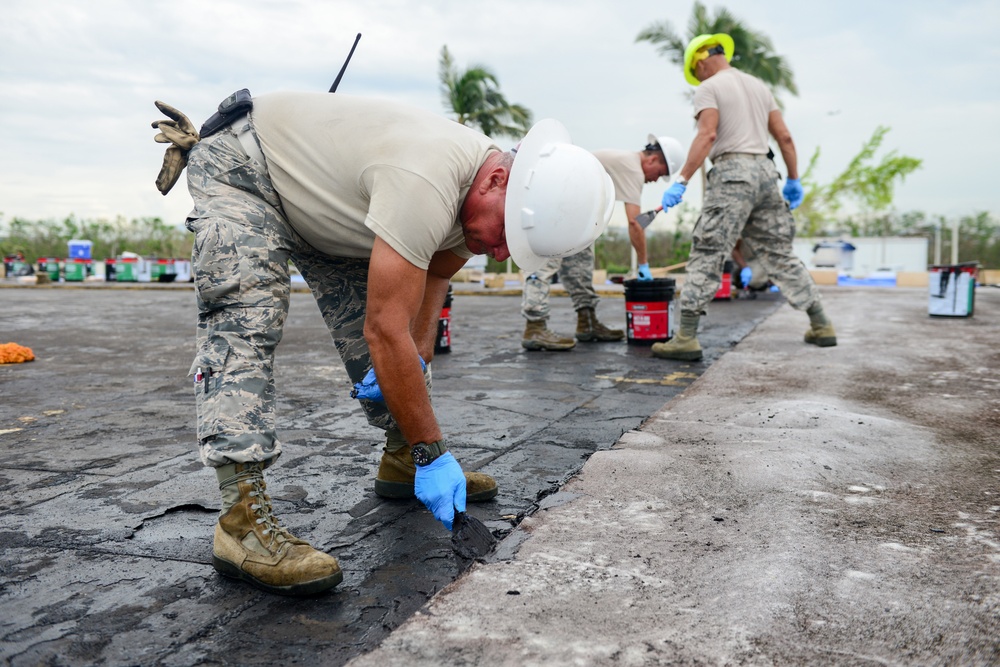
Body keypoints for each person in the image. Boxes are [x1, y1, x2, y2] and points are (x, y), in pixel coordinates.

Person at [151, 92, 614, 596]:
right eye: (507, 236)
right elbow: (385, 330)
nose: (501, 252)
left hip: (324, 211)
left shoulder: (479, 196)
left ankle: (402, 459)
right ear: (498, 181)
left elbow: (432, 282)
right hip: (248, 173)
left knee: (383, 342)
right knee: (246, 322)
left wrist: (414, 365)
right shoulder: (427, 181)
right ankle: (240, 525)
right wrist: (434, 450)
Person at [652, 33, 837, 361]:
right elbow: (785, 138)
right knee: (779, 252)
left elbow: (707, 134)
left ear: (701, 61)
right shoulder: (759, 87)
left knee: (709, 249)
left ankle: (686, 338)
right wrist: (794, 179)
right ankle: (821, 324)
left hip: (732, 172)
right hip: (767, 174)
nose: (699, 77)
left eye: (697, 72)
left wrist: (681, 180)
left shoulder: (709, 88)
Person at [520, 135, 685, 351]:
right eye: (660, 174)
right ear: (652, 160)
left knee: (579, 267)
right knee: (546, 263)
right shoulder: (633, 169)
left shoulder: (629, 163)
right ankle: (535, 326)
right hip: (556, 204)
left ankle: (587, 323)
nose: (655, 180)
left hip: (578, 210)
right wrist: (643, 263)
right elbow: (635, 224)